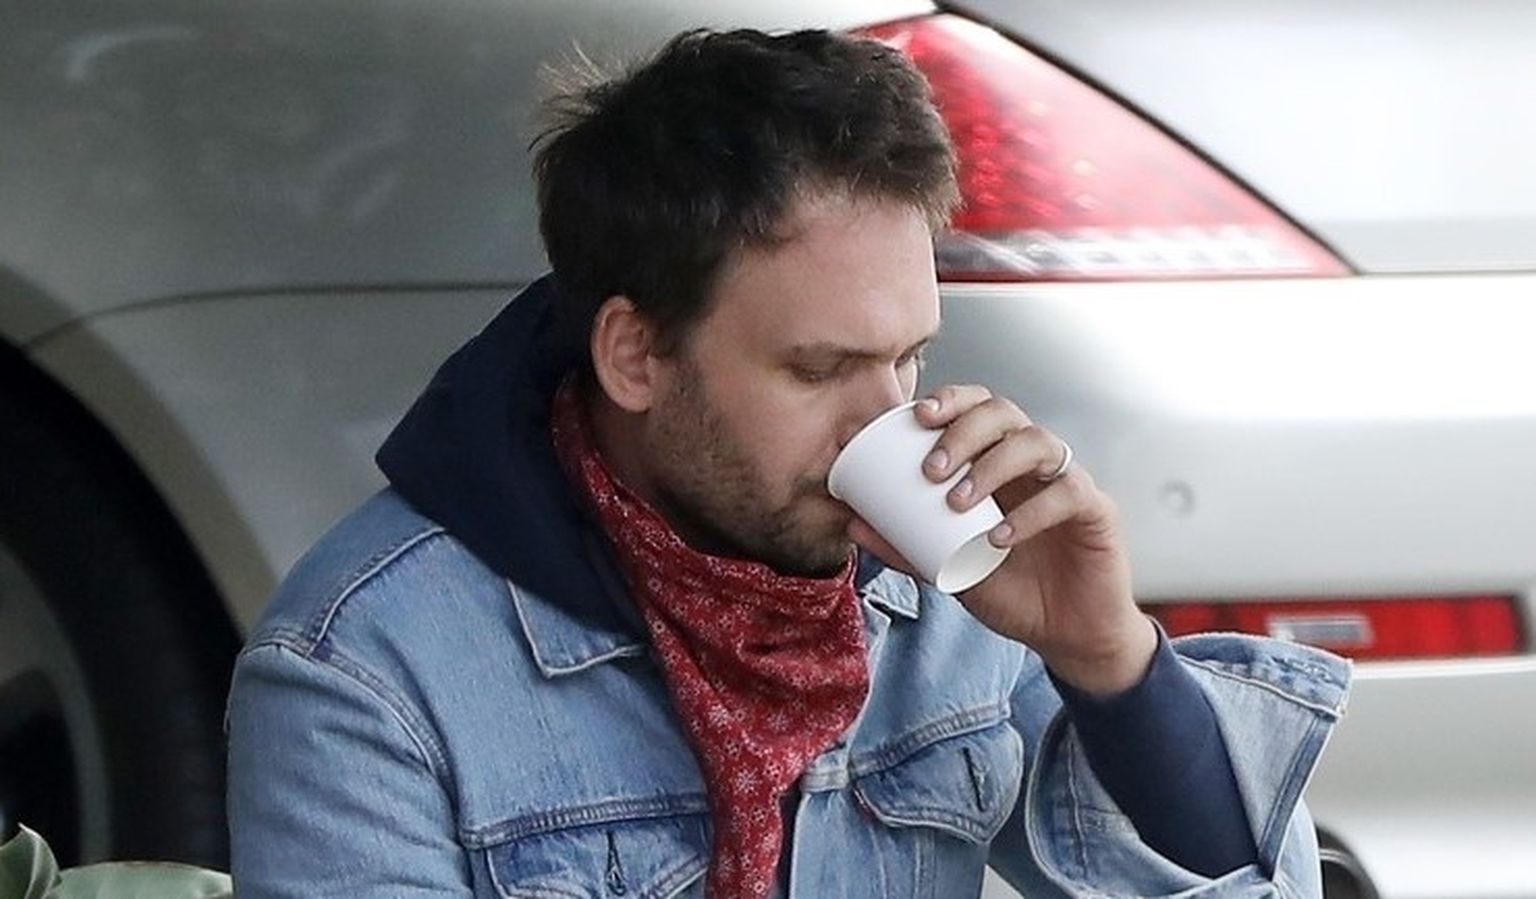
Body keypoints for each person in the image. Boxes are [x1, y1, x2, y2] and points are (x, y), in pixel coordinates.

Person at [226, 27, 1350, 899]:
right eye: (819, 369)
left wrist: (1110, 662)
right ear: (635, 354)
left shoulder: (947, 586)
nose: (887, 425)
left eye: (909, 357)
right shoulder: (367, 671)